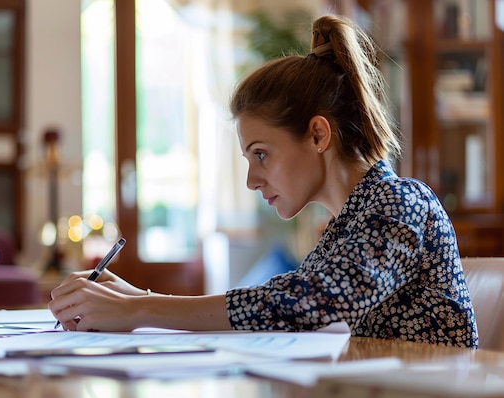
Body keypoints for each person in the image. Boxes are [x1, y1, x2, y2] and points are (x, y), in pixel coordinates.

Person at [49, 14, 478, 348]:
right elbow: (280, 310)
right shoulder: (345, 228)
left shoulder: (402, 200)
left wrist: (139, 310)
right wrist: (136, 299)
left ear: (317, 134)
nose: (253, 180)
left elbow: (315, 302)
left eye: (261, 154)